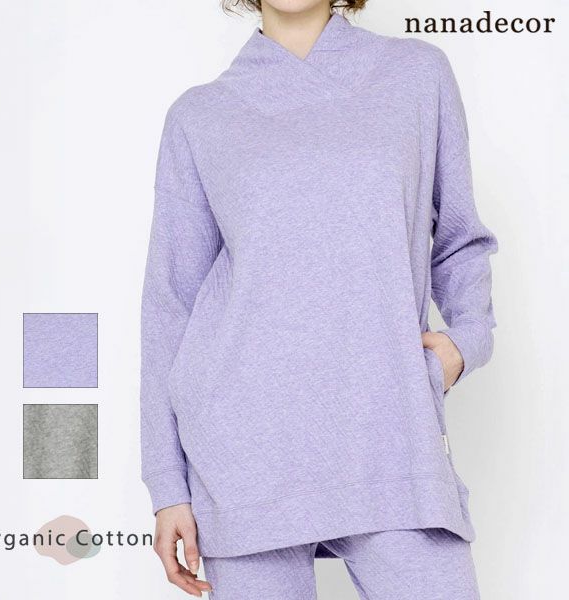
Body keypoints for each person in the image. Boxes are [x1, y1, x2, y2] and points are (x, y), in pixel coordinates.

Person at [139, 1, 498, 598]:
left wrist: (464, 344)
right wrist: (167, 486)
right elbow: (170, 305)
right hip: (243, 451)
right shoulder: (200, 115)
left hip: (387, 432)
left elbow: (459, 239)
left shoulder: (416, 73)